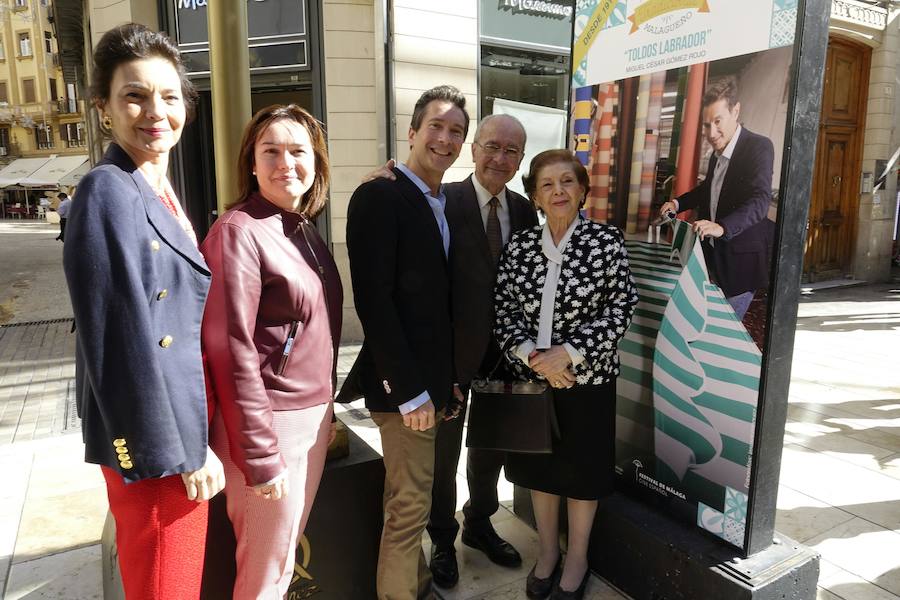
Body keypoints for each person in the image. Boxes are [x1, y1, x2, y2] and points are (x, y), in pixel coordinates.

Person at [62, 23, 224, 600]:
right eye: (134, 94)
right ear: (104, 107)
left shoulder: (155, 186)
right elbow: (120, 344)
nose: (155, 111)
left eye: (169, 95)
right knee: (164, 587)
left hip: (179, 431)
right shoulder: (107, 191)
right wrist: (180, 452)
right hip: (160, 453)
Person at [365, 114, 538, 588]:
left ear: (520, 160)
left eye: (511, 152)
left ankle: (480, 522)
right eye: (491, 146)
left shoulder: (524, 211)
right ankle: (443, 538)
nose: (499, 159)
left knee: (492, 447)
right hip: (451, 356)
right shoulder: (442, 200)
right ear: (474, 149)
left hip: (505, 354)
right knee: (443, 454)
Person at [201, 104, 342, 598]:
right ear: (252, 163)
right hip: (271, 424)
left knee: (281, 563)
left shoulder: (299, 227)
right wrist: (260, 456)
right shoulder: (239, 231)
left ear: (316, 162)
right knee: (263, 575)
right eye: (272, 151)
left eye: (298, 150)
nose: (287, 162)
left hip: (310, 417)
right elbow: (231, 349)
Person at [341, 85, 468, 599]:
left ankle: (416, 585)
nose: (445, 138)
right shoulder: (381, 194)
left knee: (410, 496)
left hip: (432, 386)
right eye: (435, 126)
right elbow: (374, 302)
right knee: (409, 505)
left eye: (456, 131)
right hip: (406, 391)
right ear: (411, 131)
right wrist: (409, 391)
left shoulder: (441, 199)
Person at [494, 149, 638, 600]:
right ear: (535, 196)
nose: (557, 191)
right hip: (534, 380)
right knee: (542, 470)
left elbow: (622, 307)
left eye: (567, 182)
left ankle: (577, 557)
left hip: (588, 381)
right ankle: (548, 552)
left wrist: (569, 355)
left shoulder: (605, 241)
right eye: (547, 185)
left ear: (581, 191)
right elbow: (503, 310)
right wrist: (536, 360)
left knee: (581, 472)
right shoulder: (520, 247)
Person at [658, 77, 775, 319]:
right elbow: (708, 189)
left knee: (721, 331)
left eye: (718, 121)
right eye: (706, 125)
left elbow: (760, 200)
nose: (711, 133)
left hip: (740, 266)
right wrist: (677, 204)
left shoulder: (759, 147)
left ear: (736, 111)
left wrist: (722, 227)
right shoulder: (716, 154)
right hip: (713, 259)